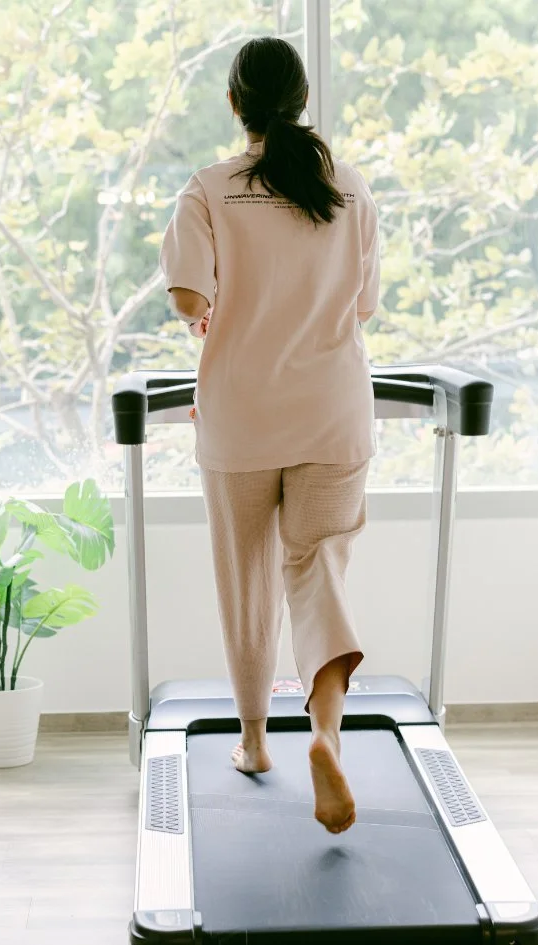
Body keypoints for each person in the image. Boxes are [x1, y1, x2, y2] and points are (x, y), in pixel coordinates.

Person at [159, 36, 380, 835]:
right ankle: (325, 734)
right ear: (303, 99)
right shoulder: (349, 188)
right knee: (317, 572)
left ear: (234, 104)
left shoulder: (209, 190)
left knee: (245, 581)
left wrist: (217, 311)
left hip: (241, 416)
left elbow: (189, 298)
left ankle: (254, 742)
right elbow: (362, 306)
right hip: (333, 414)